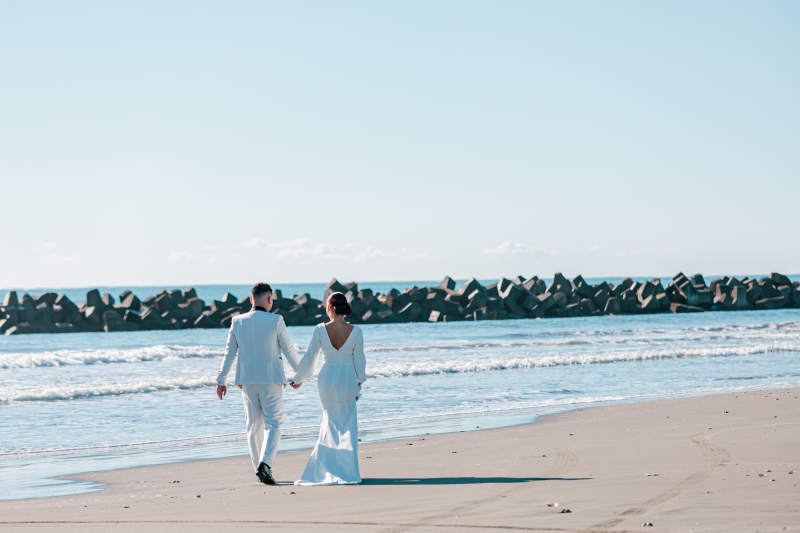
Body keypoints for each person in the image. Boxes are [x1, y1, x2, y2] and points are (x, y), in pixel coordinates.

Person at [216, 282, 301, 485]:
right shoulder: (276, 320)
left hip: (246, 381)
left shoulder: (237, 321)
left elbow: (229, 353)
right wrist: (300, 374)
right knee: (274, 423)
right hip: (271, 379)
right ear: (269, 299)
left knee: (253, 426)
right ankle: (265, 465)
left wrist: (221, 380)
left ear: (251, 299)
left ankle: (259, 469)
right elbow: (288, 349)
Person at [290, 292, 367, 485]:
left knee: (329, 422)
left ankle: (326, 469)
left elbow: (310, 358)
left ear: (331, 307)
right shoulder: (356, 331)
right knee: (348, 427)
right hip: (347, 378)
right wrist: (360, 381)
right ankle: (347, 472)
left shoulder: (320, 329)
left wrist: (299, 377)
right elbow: (360, 362)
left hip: (327, 379)